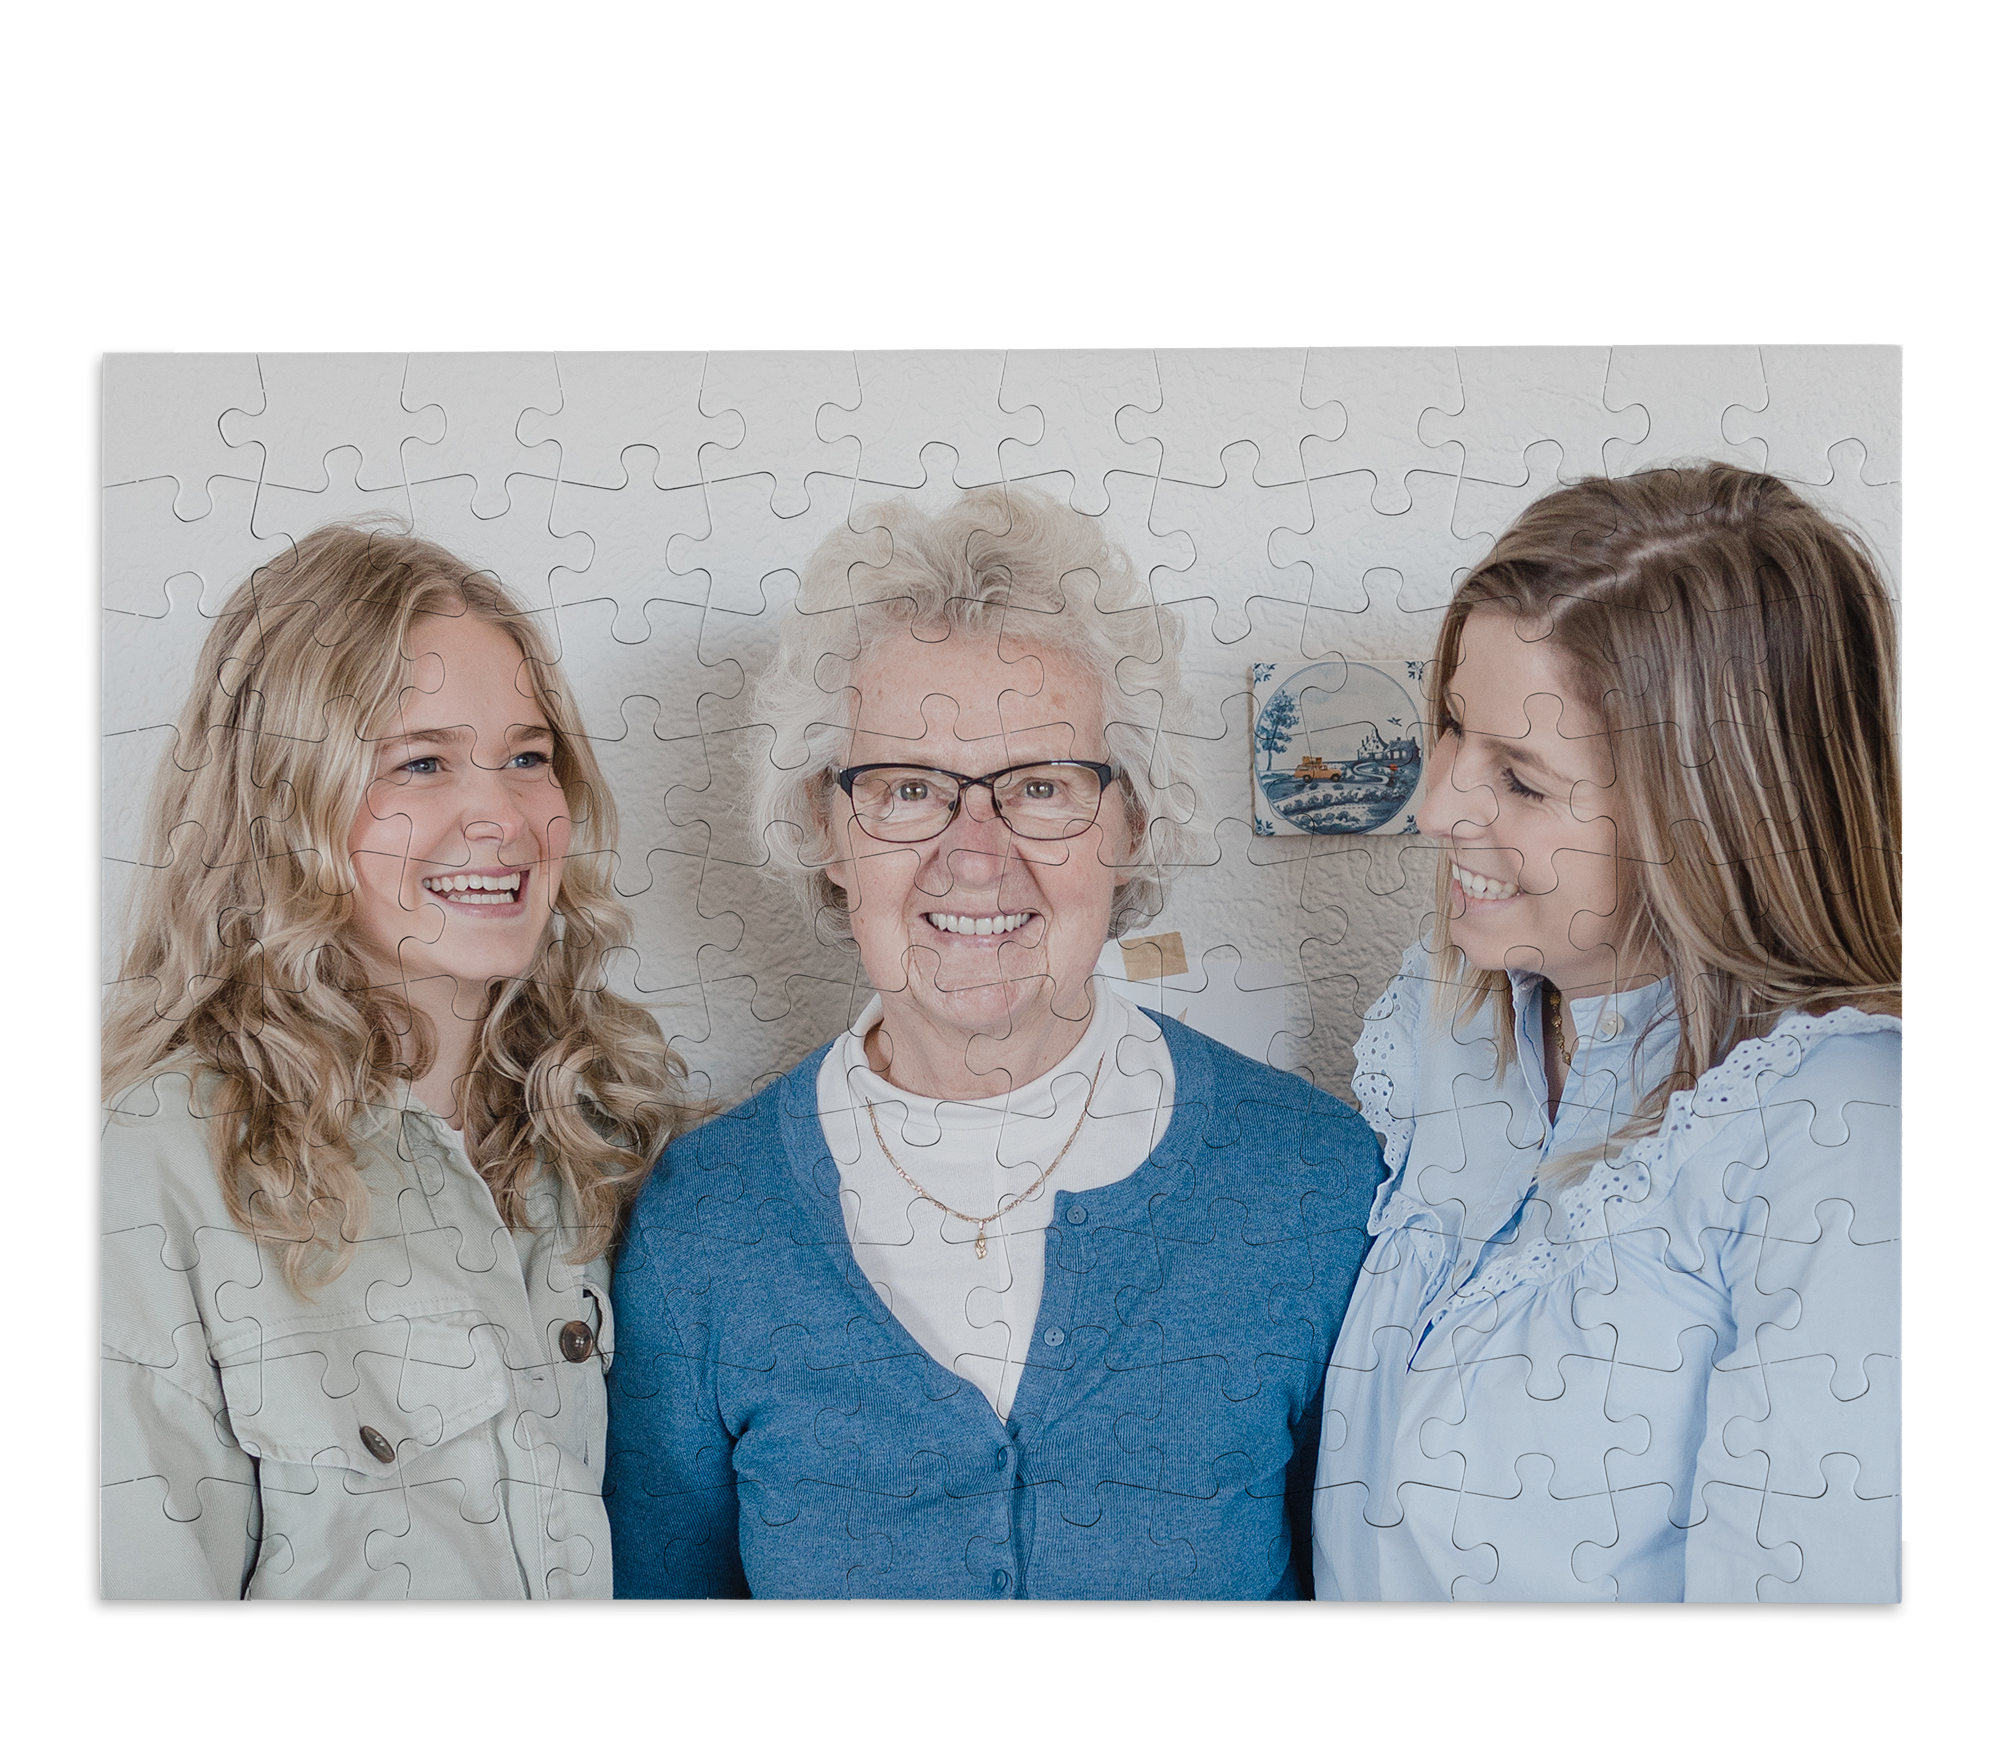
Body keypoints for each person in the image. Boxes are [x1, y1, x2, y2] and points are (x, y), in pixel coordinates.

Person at [606, 486, 1384, 1600]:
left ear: (1131, 824)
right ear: (827, 830)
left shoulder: (1310, 1177)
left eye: (1040, 787)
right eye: (908, 787)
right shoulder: (706, 1222)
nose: (975, 852)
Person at [1313, 463, 1902, 1603]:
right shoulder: (1440, 1028)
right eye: (1447, 729)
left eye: (1520, 781)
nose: (1434, 809)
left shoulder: (1846, 1130)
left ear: (1715, 821)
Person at [100, 526, 682, 1600]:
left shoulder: (617, 1127)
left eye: (527, 756)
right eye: (420, 763)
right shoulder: (152, 1169)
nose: (502, 817)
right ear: (283, 805)